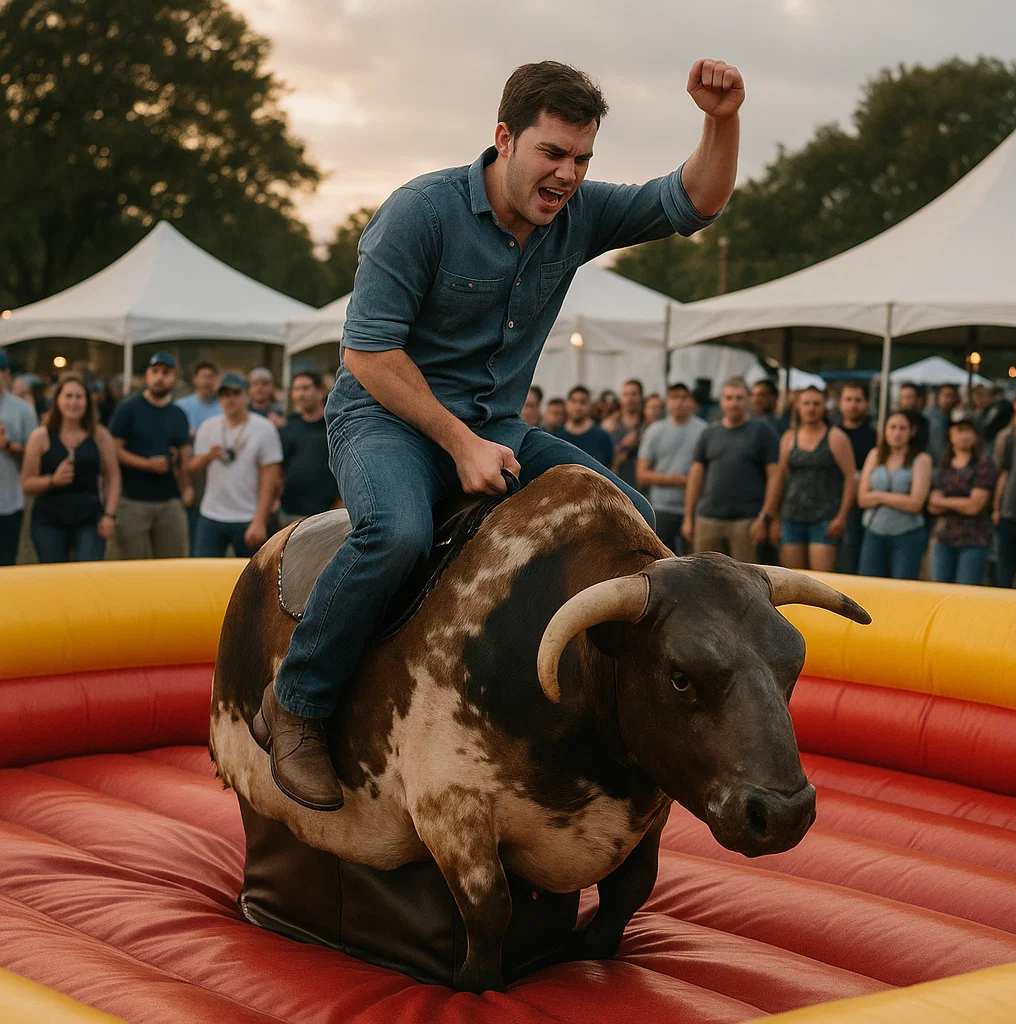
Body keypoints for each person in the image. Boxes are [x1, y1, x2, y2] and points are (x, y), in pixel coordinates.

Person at [257, 56, 745, 810]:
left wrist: (721, 119)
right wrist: (459, 444)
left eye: (582, 159)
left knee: (635, 524)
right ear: (504, 139)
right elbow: (367, 356)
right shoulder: (420, 212)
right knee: (395, 535)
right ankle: (297, 700)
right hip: (383, 417)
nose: (568, 175)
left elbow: (695, 199)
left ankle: (598, 713)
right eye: (553, 153)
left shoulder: (577, 214)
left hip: (497, 427)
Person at [20, 374, 120, 562]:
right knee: (54, 578)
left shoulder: (100, 435)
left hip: (89, 519)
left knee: (88, 576)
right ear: (57, 400)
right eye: (68, 396)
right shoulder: (40, 437)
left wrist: (109, 514)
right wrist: (52, 480)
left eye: (79, 397)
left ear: (87, 402)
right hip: (49, 520)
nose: (73, 402)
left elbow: (112, 477)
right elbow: (27, 483)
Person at [683, 377, 781, 563]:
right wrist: (689, 517)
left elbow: (775, 476)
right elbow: (695, 477)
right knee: (704, 578)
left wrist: (765, 517)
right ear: (721, 401)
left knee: (745, 582)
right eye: (729, 398)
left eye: (739, 398)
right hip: (708, 518)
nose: (734, 403)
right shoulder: (709, 433)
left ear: (749, 400)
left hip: (747, 521)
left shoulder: (763, 431)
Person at [108, 352, 192, 559]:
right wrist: (147, 465)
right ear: (147, 375)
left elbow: (183, 457)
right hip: (133, 500)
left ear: (175, 378)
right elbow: (113, 450)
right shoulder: (128, 409)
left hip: (169, 501)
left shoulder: (178, 414)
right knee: (133, 567)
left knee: (173, 565)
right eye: (154, 371)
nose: (159, 377)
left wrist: (187, 487)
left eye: (166, 373)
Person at [188, 373, 282, 557]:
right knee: (204, 574)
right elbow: (193, 467)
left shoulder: (264, 428)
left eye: (235, 394)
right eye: (224, 395)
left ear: (246, 396)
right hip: (212, 514)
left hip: (247, 516)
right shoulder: (208, 427)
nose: (229, 400)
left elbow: (270, 478)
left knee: (250, 579)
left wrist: (260, 521)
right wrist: (208, 456)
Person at [772, 387, 857, 572]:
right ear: (798, 407)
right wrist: (774, 517)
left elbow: (851, 478)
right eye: (806, 403)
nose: (811, 408)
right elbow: (781, 479)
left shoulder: (836, 437)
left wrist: (841, 517)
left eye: (816, 403)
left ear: (824, 406)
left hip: (825, 518)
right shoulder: (788, 438)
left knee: (821, 580)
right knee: (793, 579)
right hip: (792, 516)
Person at [857, 410, 931, 580]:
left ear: (911, 432)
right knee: (868, 584)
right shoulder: (875, 454)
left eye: (902, 428)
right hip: (874, 531)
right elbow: (862, 499)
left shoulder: (921, 459)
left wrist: (879, 496)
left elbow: (915, 503)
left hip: (907, 534)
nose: (897, 433)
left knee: (903, 586)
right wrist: (897, 499)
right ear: (885, 430)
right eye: (892, 427)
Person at [636, 382, 706, 555]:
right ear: (668, 401)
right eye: (675, 397)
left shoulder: (704, 431)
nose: (679, 402)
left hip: (695, 509)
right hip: (661, 509)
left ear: (692, 402)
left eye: (684, 397)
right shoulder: (655, 430)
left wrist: (687, 481)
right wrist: (671, 480)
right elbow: (641, 474)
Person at [929, 413, 997, 586]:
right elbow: (932, 505)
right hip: (944, 538)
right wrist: (963, 502)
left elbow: (975, 506)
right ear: (950, 435)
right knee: (939, 590)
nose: (964, 435)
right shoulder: (942, 465)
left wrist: (943, 501)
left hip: (975, 540)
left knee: (966, 591)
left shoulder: (984, 464)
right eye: (959, 430)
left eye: (969, 430)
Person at [278, 372, 339, 525]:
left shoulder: (333, 428)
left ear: (320, 391)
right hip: (289, 514)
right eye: (296, 389)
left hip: (325, 515)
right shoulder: (288, 428)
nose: (300, 394)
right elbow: (279, 470)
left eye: (305, 388)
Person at [176, 361, 221, 554]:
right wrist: (185, 485)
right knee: (192, 523)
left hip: (218, 472)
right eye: (203, 376)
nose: (206, 381)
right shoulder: (182, 406)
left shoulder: (223, 405)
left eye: (210, 377)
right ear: (195, 380)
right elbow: (179, 448)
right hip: (191, 472)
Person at [0, 349, 39, 564]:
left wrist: (8, 445)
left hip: (9, 501)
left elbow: (35, 457)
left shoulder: (22, 410)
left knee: (6, 563)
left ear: (5, 373)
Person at [834, 382, 876, 574]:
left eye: (858, 400)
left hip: (862, 507)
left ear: (866, 403)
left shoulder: (875, 437)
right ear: (840, 403)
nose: (853, 405)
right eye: (848, 400)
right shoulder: (831, 434)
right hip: (832, 503)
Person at [993, 391, 1016, 588]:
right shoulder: (1008, 438)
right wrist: (997, 507)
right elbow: (1003, 473)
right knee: (1004, 574)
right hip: (1010, 514)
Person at [555, 385, 615, 467]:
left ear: (589, 405)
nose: (578, 407)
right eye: (574, 401)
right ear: (567, 404)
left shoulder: (602, 437)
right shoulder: (557, 438)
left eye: (583, 402)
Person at [606, 378, 644, 489]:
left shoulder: (647, 426)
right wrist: (623, 446)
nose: (629, 398)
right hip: (616, 485)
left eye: (634, 394)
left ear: (640, 397)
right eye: (626, 394)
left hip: (641, 488)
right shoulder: (610, 426)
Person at [924, 384, 960, 465]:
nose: (948, 400)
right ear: (938, 397)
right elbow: (938, 449)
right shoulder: (932, 418)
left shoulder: (950, 417)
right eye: (946, 396)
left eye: (952, 396)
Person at [897, 383, 930, 454]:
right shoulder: (894, 420)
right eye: (902, 397)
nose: (905, 401)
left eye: (909, 397)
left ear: (919, 399)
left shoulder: (924, 422)